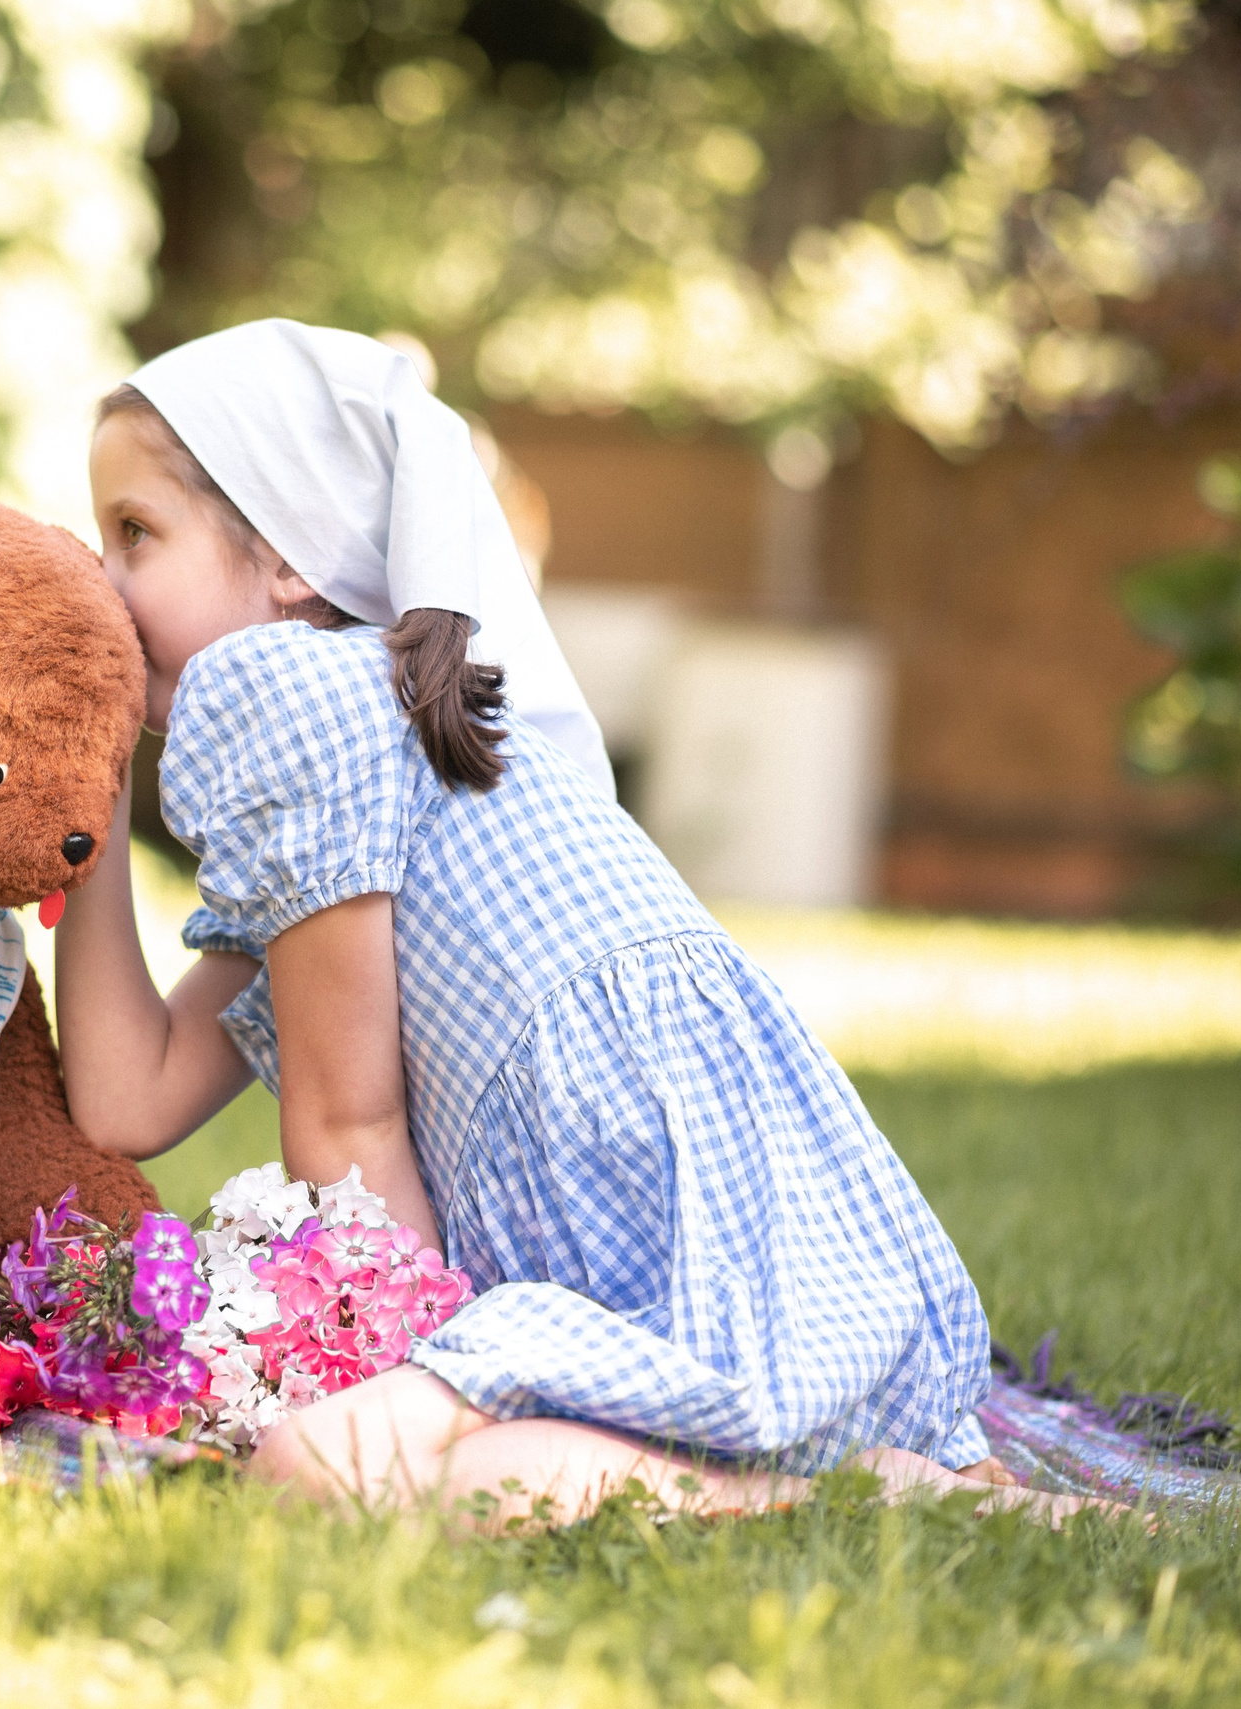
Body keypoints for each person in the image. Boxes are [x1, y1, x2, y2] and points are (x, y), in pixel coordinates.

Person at [53, 319, 1100, 1528]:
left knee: (324, 1470)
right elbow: (131, 1100)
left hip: (657, 1236)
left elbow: (349, 1123)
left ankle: (868, 1495)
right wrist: (82, 786)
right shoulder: (355, 736)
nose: (104, 586)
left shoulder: (286, 694)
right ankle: (874, 1486)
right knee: (376, 1465)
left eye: (134, 533)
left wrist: (394, 1378)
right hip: (751, 1233)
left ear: (289, 556)